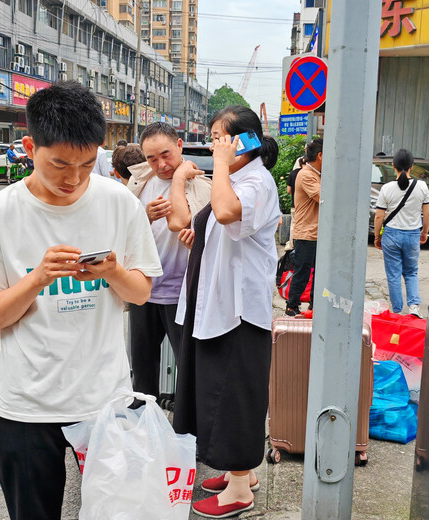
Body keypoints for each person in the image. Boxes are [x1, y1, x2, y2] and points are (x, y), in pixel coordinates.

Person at [0, 81, 162, 520]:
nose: (73, 179)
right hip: (24, 409)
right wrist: (36, 279)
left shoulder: (119, 203)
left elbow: (141, 294)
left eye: (87, 164)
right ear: (30, 147)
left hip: (106, 403)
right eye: (60, 164)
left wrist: (112, 272)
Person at [173, 105, 280, 519]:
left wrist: (219, 163)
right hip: (217, 307)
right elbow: (214, 226)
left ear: (245, 141)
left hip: (238, 312)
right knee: (219, 390)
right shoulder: (234, 178)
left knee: (233, 395)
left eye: (221, 136)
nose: (215, 142)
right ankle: (243, 475)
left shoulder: (257, 181)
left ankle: (238, 490)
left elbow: (226, 212)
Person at [127, 121, 211, 400]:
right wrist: (144, 217)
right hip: (145, 290)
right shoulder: (138, 184)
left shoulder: (203, 187)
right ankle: (143, 427)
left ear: (179, 145)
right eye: (151, 158)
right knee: (142, 369)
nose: (161, 164)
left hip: (183, 293)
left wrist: (197, 240)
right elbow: (122, 233)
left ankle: (188, 433)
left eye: (166, 154)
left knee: (189, 367)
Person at [374, 148, 429, 318]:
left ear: (393, 166)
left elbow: (379, 216)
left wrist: (377, 236)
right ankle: (413, 307)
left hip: (391, 235)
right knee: (411, 272)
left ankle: (397, 310)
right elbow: (426, 213)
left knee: (393, 274)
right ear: (412, 166)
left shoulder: (387, 188)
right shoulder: (422, 186)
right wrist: (425, 232)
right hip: (413, 234)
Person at [285, 138, 323, 316]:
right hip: (306, 233)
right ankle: (292, 306)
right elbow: (323, 198)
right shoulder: (307, 174)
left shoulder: (317, 174)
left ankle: (315, 306)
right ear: (321, 155)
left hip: (317, 233)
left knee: (320, 273)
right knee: (303, 272)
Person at [284, 155, 306, 251]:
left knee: (294, 225)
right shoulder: (309, 174)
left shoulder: (293, 173)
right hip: (305, 206)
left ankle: (292, 245)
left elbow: (288, 190)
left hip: (295, 204)